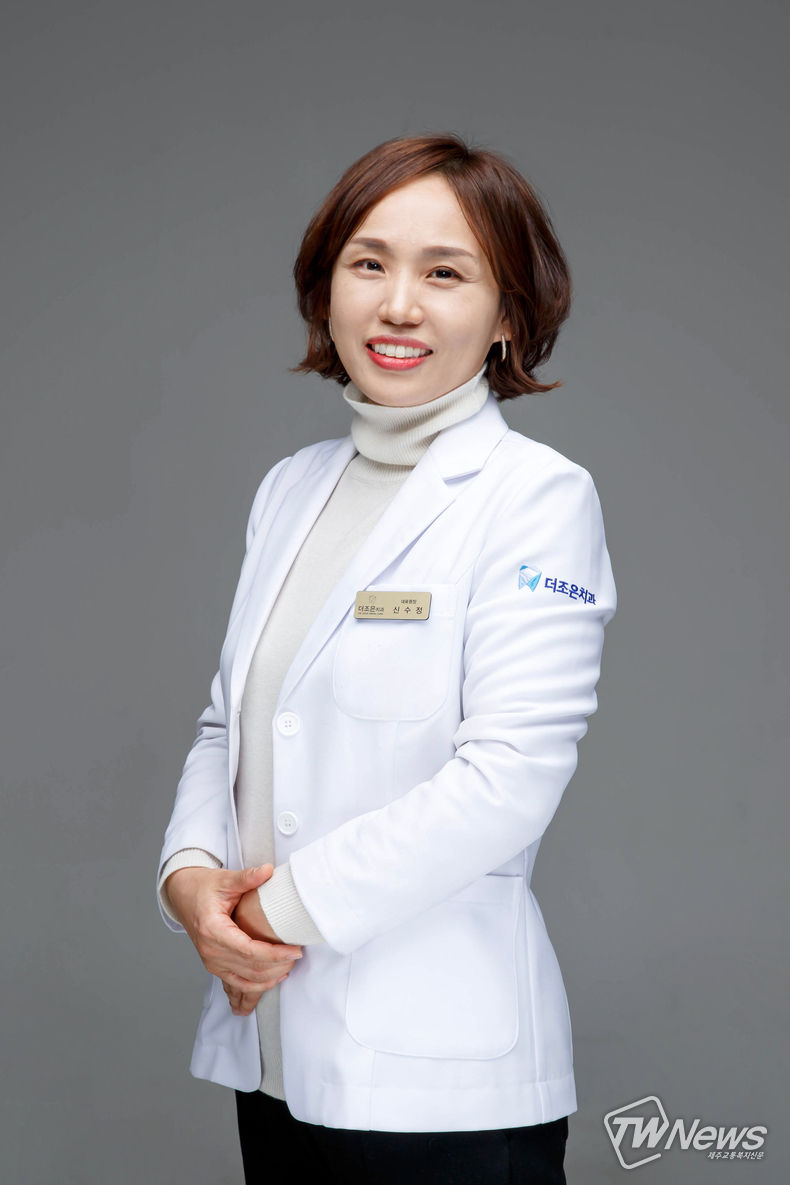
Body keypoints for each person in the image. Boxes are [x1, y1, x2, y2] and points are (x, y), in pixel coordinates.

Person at [157, 132, 617, 1184]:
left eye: (445, 274)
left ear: (507, 315)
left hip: (437, 1080)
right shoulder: (290, 486)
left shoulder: (537, 499)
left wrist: (265, 916)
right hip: (274, 1056)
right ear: (326, 290)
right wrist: (190, 886)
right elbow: (230, 723)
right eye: (369, 263)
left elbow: (508, 780)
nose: (397, 304)